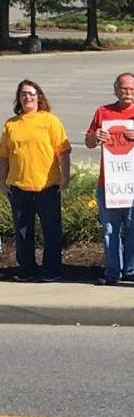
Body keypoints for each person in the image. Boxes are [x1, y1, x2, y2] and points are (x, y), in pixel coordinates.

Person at [84, 73, 134, 285]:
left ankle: (131, 269)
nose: (127, 93)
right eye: (123, 88)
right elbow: (89, 142)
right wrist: (95, 137)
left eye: (131, 89)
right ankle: (112, 271)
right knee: (110, 229)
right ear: (116, 90)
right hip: (108, 182)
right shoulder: (103, 112)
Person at [1, 80, 71, 282]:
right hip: (19, 186)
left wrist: (65, 177)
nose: (27, 97)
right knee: (23, 231)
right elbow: (4, 156)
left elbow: (63, 152)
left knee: (51, 230)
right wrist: (2, 182)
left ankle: (52, 269)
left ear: (39, 96)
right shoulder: (11, 124)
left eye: (31, 94)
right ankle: (27, 269)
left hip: (46, 186)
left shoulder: (50, 121)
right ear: (19, 98)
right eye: (23, 94)